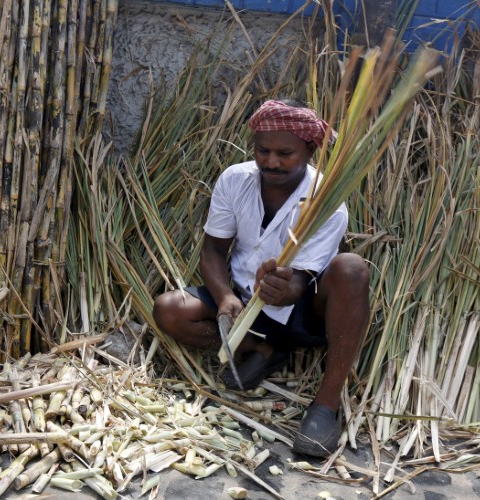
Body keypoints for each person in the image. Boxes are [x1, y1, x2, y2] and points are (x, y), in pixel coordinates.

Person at [153, 99, 370, 457]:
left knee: (352, 269)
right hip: (241, 303)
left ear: (310, 149)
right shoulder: (235, 180)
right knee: (169, 309)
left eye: (285, 153)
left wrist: (288, 288)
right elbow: (212, 251)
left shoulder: (325, 202)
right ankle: (261, 349)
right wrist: (224, 297)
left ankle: (325, 406)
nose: (271, 161)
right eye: (262, 150)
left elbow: (300, 282)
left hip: (300, 312)